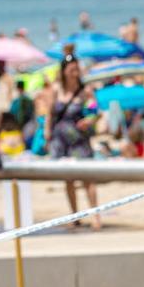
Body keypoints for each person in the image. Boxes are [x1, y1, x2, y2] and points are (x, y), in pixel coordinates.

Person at [46, 54, 101, 229]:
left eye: (76, 69)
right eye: (71, 70)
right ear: (63, 71)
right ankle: (75, 215)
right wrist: (47, 132)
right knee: (68, 179)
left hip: (79, 138)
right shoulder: (56, 89)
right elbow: (49, 113)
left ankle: (95, 216)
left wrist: (90, 120)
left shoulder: (85, 90)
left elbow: (95, 110)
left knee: (88, 178)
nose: (74, 73)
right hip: (61, 139)